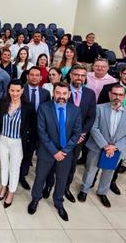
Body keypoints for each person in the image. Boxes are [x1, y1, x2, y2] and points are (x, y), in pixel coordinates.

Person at [28, 82, 82, 221]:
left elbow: (76, 133)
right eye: (58, 93)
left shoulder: (75, 110)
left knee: (62, 180)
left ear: (69, 95)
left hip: (66, 153)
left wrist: (64, 151)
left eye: (64, 93)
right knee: (40, 177)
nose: (61, 96)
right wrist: (54, 151)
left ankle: (58, 202)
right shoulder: (44, 108)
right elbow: (42, 132)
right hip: (47, 151)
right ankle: (35, 199)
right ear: (53, 93)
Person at [42, 65, 97, 202]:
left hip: (76, 139)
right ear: (71, 75)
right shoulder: (61, 91)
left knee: (71, 164)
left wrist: (81, 134)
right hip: (56, 135)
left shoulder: (90, 94)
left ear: (85, 78)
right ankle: (48, 185)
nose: (79, 77)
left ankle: (65, 187)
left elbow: (91, 117)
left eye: (82, 75)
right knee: (52, 162)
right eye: (76, 74)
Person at [78, 84, 126, 208]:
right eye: (114, 94)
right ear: (110, 94)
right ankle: (84, 190)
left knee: (109, 172)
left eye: (120, 95)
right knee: (90, 170)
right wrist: (105, 145)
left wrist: (115, 147)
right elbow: (93, 128)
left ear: (124, 96)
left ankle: (102, 192)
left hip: (117, 150)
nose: (117, 97)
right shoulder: (99, 108)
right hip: (97, 146)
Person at [0, 79, 36, 207]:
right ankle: (3, 187)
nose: (15, 93)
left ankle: (11, 192)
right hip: (2, 140)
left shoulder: (28, 107)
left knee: (14, 168)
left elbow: (33, 128)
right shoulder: (2, 103)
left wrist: (30, 147)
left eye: (18, 90)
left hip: (18, 142)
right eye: (12, 90)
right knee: (4, 165)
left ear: (22, 91)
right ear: (8, 90)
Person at [97, 62, 126, 193]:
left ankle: (111, 181)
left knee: (117, 161)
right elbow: (100, 108)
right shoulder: (108, 87)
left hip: (123, 135)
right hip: (105, 131)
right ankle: (92, 180)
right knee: (96, 162)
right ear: (120, 74)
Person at [20, 67, 51, 190]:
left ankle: (23, 175)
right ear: (27, 76)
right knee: (18, 153)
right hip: (22, 128)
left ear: (41, 77)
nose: (34, 77)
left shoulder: (45, 93)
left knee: (29, 154)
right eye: (31, 74)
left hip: (38, 129)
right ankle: (15, 174)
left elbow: (47, 111)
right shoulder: (21, 89)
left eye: (37, 75)